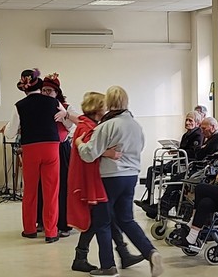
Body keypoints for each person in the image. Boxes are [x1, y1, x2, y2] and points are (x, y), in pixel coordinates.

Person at [75, 86, 163, 277]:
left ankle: (108, 266)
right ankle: (150, 252)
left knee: (102, 222)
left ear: (108, 103)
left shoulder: (106, 126)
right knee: (126, 219)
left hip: (109, 178)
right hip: (131, 176)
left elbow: (89, 155)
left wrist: (80, 144)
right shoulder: (135, 125)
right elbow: (139, 148)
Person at [68, 92, 143, 272]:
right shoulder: (87, 126)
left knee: (106, 218)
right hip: (92, 180)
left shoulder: (91, 124)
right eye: (104, 106)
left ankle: (120, 254)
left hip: (96, 178)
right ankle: (83, 256)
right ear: (96, 109)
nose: (107, 109)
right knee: (99, 220)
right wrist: (107, 153)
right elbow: (88, 152)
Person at [3, 68, 66, 243]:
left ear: (25, 88)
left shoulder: (19, 106)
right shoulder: (53, 102)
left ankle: (30, 229)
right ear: (40, 85)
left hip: (30, 148)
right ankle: (51, 232)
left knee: (30, 190)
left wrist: (7, 129)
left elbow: (10, 133)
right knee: (51, 191)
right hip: (52, 147)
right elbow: (66, 120)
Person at [37, 72, 79, 237]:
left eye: (49, 91)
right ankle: (42, 220)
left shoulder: (66, 107)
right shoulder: (38, 106)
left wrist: (65, 115)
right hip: (43, 149)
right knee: (42, 185)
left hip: (60, 149)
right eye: (44, 90)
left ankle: (63, 223)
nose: (46, 94)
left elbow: (80, 121)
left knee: (61, 187)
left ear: (57, 93)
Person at [135, 111, 203, 207]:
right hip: (177, 161)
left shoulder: (198, 135)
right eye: (186, 120)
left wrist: (178, 151)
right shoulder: (186, 134)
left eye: (190, 120)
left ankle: (162, 203)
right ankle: (149, 199)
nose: (187, 122)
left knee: (158, 170)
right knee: (151, 169)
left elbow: (194, 152)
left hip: (184, 163)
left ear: (197, 123)